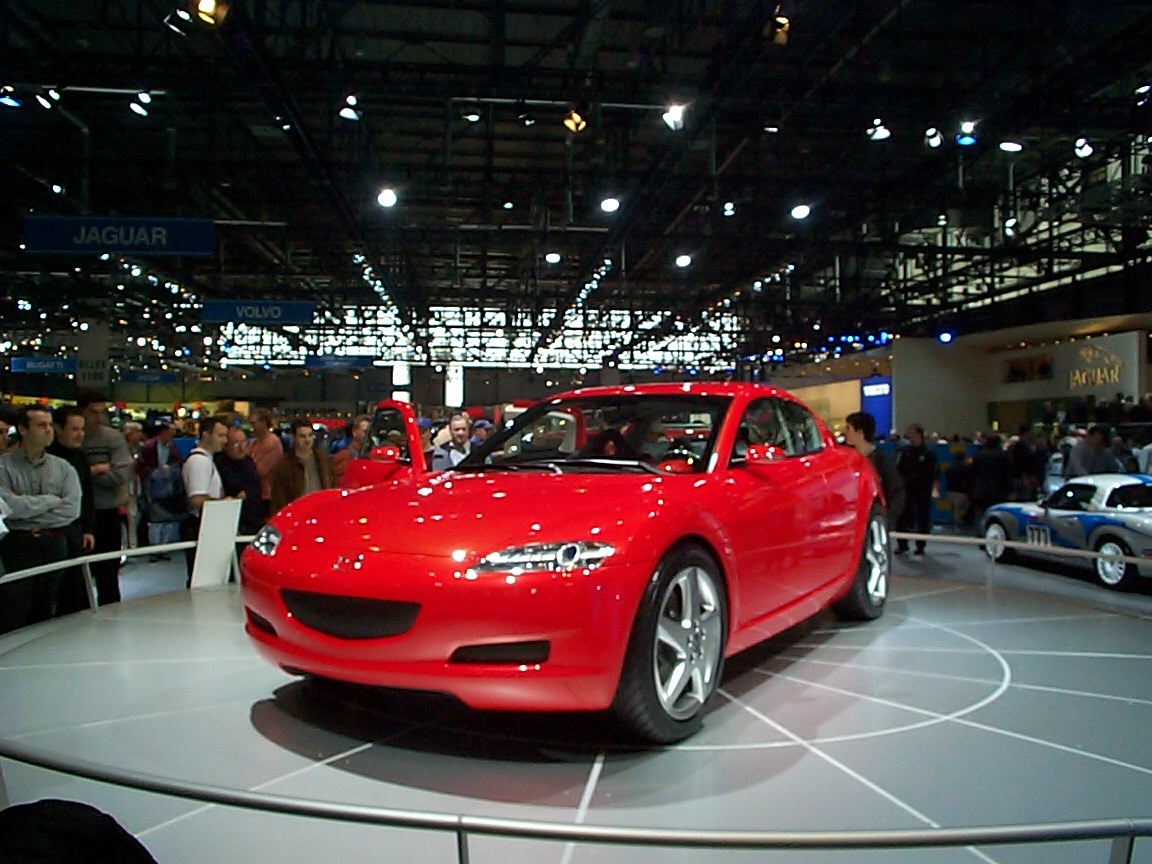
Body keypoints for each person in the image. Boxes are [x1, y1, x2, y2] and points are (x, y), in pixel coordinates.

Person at [0, 407, 82, 633]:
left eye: (50, 425)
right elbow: (6, 508)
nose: (48, 430)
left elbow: (71, 509)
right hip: (18, 545)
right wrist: (50, 500)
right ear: (23, 430)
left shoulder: (64, 468)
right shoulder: (3, 467)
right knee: (13, 607)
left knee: (46, 606)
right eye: (41, 425)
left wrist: (24, 508)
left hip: (54, 543)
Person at [77, 391, 133, 605]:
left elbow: (120, 475)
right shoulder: (72, 440)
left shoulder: (113, 438)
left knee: (108, 576)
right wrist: (97, 469)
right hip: (78, 515)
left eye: (103, 412)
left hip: (107, 512)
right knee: (78, 579)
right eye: (93, 412)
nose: (99, 418)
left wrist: (85, 476)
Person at [49, 406, 97, 616]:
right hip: (52, 529)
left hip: (76, 529)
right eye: (74, 429)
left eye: (82, 429)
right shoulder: (48, 457)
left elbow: (88, 495)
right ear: (58, 429)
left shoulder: (80, 457)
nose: (80, 435)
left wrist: (88, 529)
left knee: (77, 586)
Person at [181, 415, 229, 586]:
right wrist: (224, 503)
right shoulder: (199, 462)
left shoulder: (206, 460)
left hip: (206, 525)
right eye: (220, 435)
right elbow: (197, 498)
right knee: (202, 580)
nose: (224, 440)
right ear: (206, 435)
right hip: (200, 526)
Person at [844, 411, 904, 530]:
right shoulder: (846, 459)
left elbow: (896, 491)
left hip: (873, 522)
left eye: (848, 428)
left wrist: (887, 521)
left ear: (860, 432)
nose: (845, 433)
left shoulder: (881, 459)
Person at [268, 419, 335, 515]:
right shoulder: (283, 465)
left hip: (322, 511)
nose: (308, 440)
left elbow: (332, 485)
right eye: (302, 436)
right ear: (293, 437)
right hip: (297, 514)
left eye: (310, 435)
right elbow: (279, 498)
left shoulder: (323, 460)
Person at [895, 423, 938, 554]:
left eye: (912, 433)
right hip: (906, 489)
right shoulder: (904, 451)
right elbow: (898, 469)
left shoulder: (929, 452)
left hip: (923, 490)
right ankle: (902, 544)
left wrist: (935, 488)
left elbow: (935, 472)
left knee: (922, 518)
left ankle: (920, 546)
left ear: (919, 434)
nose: (909, 435)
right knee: (902, 517)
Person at [215, 426, 266, 535]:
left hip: (254, 520)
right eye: (236, 444)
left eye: (244, 442)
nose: (242, 448)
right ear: (226, 446)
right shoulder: (220, 465)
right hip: (235, 521)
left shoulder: (248, 462)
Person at [245, 408, 283, 506]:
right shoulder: (253, 443)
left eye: (254, 423)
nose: (251, 427)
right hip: (253, 492)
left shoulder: (273, 443)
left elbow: (260, 470)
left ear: (264, 423)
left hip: (267, 494)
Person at [331, 414, 371, 482]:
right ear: (354, 432)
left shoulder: (371, 454)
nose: (369, 435)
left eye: (370, 432)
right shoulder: (344, 456)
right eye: (365, 432)